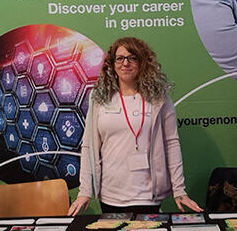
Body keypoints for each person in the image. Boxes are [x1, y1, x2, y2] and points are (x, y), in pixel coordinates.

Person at [68, 37, 202, 216]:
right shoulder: (99, 99)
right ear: (112, 64)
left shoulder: (159, 99)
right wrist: (85, 190)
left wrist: (179, 189)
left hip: (147, 195)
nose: (126, 63)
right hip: (109, 195)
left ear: (143, 62)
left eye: (133, 58)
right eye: (120, 58)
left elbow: (171, 144)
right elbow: (88, 147)